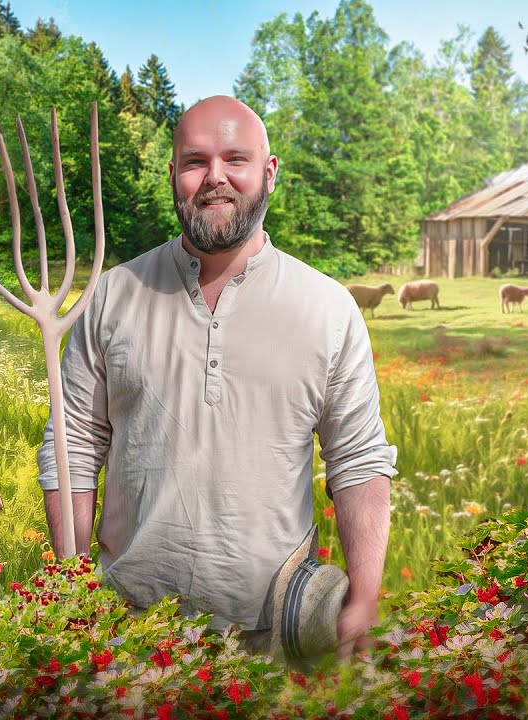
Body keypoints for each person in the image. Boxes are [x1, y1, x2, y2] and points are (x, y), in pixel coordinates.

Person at [37, 95, 397, 659]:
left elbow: (358, 461)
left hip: (278, 634)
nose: (215, 178)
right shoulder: (113, 295)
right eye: (195, 161)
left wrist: (366, 595)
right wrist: (70, 581)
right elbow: (73, 447)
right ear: (173, 173)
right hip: (128, 630)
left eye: (236, 159)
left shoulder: (327, 308)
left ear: (269, 173)